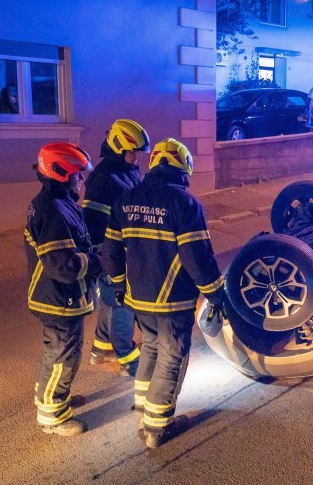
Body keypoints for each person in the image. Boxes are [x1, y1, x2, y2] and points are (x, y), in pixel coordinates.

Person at [102, 138, 226, 448]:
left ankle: (144, 405)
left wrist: (118, 285)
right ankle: (157, 427)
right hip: (172, 300)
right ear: (182, 168)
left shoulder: (126, 200)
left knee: (152, 348)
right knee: (172, 357)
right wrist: (215, 293)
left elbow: (110, 251)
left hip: (138, 299)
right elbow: (197, 257)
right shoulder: (184, 204)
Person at [25, 142, 100, 436]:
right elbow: (62, 266)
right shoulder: (54, 210)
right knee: (62, 355)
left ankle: (54, 397)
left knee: (57, 353)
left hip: (55, 297)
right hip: (58, 299)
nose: (80, 180)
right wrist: (96, 261)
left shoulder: (54, 201)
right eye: (76, 175)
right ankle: (52, 415)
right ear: (60, 173)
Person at [83, 119, 150, 376]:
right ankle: (128, 358)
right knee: (123, 302)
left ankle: (100, 349)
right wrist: (106, 256)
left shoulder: (125, 170)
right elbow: (94, 222)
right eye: (135, 152)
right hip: (113, 251)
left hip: (123, 249)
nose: (138, 158)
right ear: (120, 147)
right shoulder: (104, 180)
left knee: (111, 300)